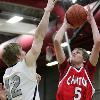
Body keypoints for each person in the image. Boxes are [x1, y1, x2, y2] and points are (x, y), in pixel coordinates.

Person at [2, 0, 57, 100]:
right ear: (18, 56)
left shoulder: (6, 75)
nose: (25, 52)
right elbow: (39, 36)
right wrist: (47, 11)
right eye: (22, 50)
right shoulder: (25, 65)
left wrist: (31, 78)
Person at [54, 5, 100, 100]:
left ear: (84, 60)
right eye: (73, 52)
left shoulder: (88, 71)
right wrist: (65, 25)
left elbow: (98, 42)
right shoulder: (65, 68)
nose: (73, 53)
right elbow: (56, 41)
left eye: (78, 52)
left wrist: (92, 21)